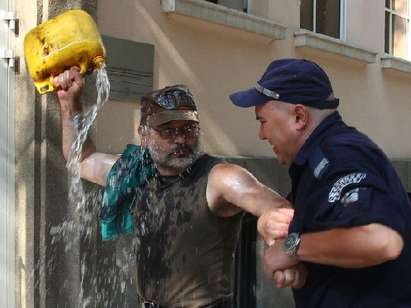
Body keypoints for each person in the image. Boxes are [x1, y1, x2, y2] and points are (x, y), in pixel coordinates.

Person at [53, 67, 293, 308]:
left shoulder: (219, 177)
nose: (180, 139)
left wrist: (275, 229)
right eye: (168, 131)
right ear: (144, 136)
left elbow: (276, 206)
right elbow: (80, 159)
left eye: (188, 129)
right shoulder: (133, 172)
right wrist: (69, 101)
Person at [229, 58, 411, 307]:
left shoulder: (341, 156)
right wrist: (276, 234)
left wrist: (291, 247)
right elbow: (330, 243)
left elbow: (381, 241)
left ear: (299, 117)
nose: (262, 134)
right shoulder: (315, 163)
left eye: (263, 121)